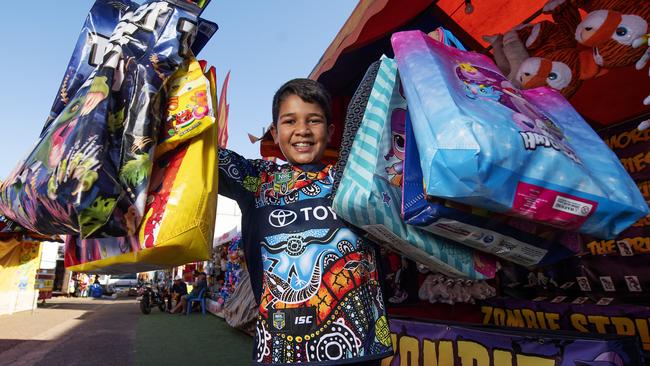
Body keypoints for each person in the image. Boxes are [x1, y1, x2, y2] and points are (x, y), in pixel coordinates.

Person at [218, 79, 392, 365]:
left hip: (361, 347)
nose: (302, 130)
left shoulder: (354, 177)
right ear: (274, 132)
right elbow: (200, 153)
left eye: (314, 120)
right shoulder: (256, 181)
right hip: (282, 348)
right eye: (289, 121)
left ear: (331, 130)